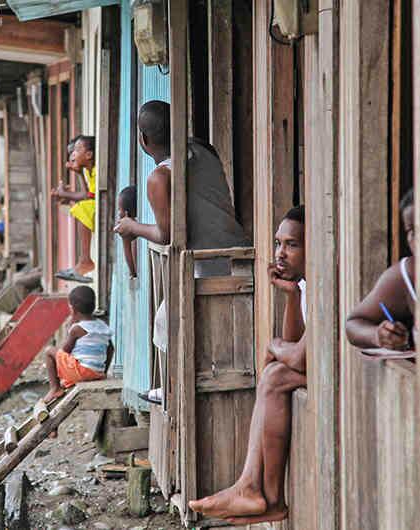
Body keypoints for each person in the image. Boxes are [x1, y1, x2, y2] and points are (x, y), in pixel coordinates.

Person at [114, 100, 250, 403]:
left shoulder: (159, 178)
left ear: (143, 140)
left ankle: (173, 388)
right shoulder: (204, 149)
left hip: (207, 261)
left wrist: (132, 227)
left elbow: (167, 235)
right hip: (238, 249)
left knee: (167, 322)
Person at [188, 206, 306, 524]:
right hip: (312, 370)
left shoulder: (327, 285)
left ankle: (260, 493)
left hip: (342, 375)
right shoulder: (306, 285)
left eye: (292, 245)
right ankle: (255, 490)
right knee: (273, 374)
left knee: (276, 374)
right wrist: (291, 295)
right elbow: (295, 342)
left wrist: (272, 346)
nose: (280, 254)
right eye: (279, 243)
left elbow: (301, 357)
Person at [345, 189, 417, 350]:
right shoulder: (405, 275)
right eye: (411, 230)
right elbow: (353, 324)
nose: (418, 238)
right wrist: (378, 335)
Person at [41, 285, 112, 404]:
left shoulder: (77, 329)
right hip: (97, 373)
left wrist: (69, 327)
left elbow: (65, 351)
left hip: (82, 372)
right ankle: (73, 378)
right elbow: (110, 348)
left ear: (73, 310)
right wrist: (103, 371)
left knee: (49, 351)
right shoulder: (103, 325)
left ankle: (55, 388)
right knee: (74, 361)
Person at [52, 136, 97, 283]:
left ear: (89, 155)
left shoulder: (96, 171)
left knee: (81, 207)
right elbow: (87, 195)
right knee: (80, 207)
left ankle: (85, 261)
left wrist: (65, 194)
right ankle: (83, 260)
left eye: (76, 151)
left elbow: (87, 197)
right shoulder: (89, 172)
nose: (72, 156)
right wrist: (78, 174)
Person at [117, 185, 138, 279]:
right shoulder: (140, 226)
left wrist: (125, 239)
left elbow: (133, 271)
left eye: (119, 209)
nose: (118, 213)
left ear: (125, 213)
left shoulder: (135, 231)